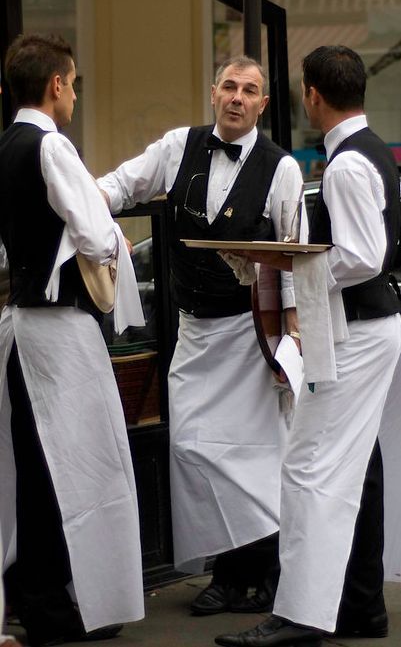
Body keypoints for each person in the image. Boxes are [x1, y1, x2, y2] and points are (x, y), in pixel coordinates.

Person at [98, 55, 305, 615]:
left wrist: (289, 340)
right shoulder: (176, 146)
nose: (238, 97)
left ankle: (250, 575)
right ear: (214, 92)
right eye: (230, 87)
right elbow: (121, 184)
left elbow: (293, 253)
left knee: (257, 458)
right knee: (191, 448)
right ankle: (225, 567)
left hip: (249, 333)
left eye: (251, 91)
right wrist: (88, 211)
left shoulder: (281, 168)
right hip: (193, 331)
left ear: (263, 103)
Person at [214, 45, 401, 647]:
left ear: (312, 94)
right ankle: (355, 607)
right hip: (370, 328)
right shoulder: (368, 153)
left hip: (360, 332)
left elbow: (365, 257)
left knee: (307, 467)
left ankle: (298, 616)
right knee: (344, 470)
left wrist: (283, 258)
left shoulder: (346, 165)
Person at [0, 33, 145, 647]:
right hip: (59, 330)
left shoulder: (5, 144)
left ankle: (43, 602)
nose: (76, 92)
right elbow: (94, 234)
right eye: (76, 81)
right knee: (77, 469)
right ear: (56, 84)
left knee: (34, 465)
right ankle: (59, 608)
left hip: (19, 325)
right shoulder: (51, 147)